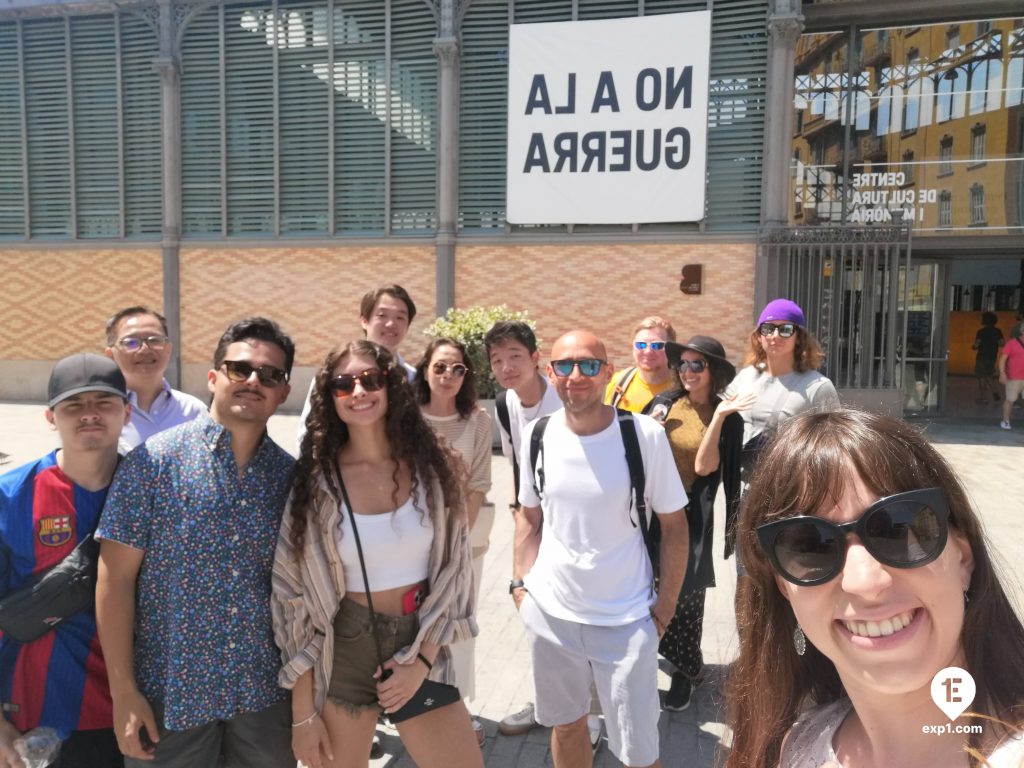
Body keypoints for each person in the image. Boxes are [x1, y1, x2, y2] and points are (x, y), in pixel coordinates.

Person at [726, 409, 1024, 768]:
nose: (865, 582)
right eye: (810, 546)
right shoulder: (791, 750)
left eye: (898, 529)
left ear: (963, 557)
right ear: (785, 588)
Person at [95, 317, 296, 767]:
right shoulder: (153, 463)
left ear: (284, 391)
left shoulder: (292, 480)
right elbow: (116, 580)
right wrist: (123, 692)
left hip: (263, 701)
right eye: (239, 369)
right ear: (213, 377)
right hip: (170, 700)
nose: (252, 381)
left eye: (270, 375)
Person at [271, 340, 482, 768]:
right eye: (343, 385)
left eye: (370, 380)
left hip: (419, 633)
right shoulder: (316, 483)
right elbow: (291, 599)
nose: (359, 392)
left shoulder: (433, 466)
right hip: (342, 647)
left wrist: (421, 660)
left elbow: (457, 569)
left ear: (390, 386)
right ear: (329, 399)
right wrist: (302, 716)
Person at [513, 330, 688, 768]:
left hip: (626, 619)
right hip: (551, 615)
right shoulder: (536, 435)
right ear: (550, 373)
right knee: (567, 725)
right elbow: (529, 516)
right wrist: (520, 586)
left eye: (589, 365)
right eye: (565, 365)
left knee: (639, 751)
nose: (576, 375)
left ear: (608, 372)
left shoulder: (643, 436)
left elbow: (675, 527)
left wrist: (664, 606)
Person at [0, 354, 130, 768]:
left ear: (127, 412)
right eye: (74, 404)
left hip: (128, 715)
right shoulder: (10, 495)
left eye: (104, 402)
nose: (89, 414)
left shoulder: (152, 493)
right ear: (50, 416)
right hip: (33, 717)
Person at [642, 337, 751, 712]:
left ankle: (685, 670)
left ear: (713, 372)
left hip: (692, 515)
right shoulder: (664, 403)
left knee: (688, 593)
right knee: (649, 584)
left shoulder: (728, 416)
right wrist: (648, 428)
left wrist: (718, 418)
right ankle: (652, 655)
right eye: (683, 365)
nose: (687, 372)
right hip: (653, 513)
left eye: (696, 366)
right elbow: (638, 452)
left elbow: (706, 468)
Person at [484, 321, 577, 742]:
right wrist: (518, 514)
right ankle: (550, 705)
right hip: (535, 519)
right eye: (497, 360)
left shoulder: (565, 398)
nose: (506, 367)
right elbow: (516, 462)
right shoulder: (505, 403)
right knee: (539, 616)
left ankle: (586, 719)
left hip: (577, 523)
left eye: (515, 357)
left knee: (577, 615)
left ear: (536, 357)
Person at [414, 338, 492, 745]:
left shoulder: (478, 420)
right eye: (440, 367)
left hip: (459, 543)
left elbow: (479, 484)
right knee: (411, 628)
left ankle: (460, 709)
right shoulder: (406, 418)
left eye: (457, 369)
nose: (448, 376)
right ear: (425, 370)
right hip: (408, 543)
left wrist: (455, 543)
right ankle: (413, 705)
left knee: (457, 626)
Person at [727, 298, 839, 487]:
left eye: (785, 329)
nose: (775, 336)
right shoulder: (745, 378)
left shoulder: (817, 386)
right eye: (768, 328)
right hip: (741, 492)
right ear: (759, 335)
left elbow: (833, 447)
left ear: (799, 338)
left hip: (789, 493)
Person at [296, 284, 418, 451]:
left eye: (400, 317)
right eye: (382, 315)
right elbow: (308, 434)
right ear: (364, 320)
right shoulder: (335, 375)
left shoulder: (415, 380)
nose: (391, 323)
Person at [103, 306, 206, 453]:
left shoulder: (194, 411)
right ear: (110, 354)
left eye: (155, 340)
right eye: (131, 342)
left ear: (168, 349)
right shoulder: (101, 413)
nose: (145, 349)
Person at [604, 316, 678, 413]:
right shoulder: (617, 383)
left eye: (656, 345)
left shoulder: (684, 387)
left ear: (671, 349)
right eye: (641, 345)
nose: (647, 351)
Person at [971, 312, 1003, 406]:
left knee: (981, 376)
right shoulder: (998, 331)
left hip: (981, 356)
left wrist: (973, 347)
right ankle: (995, 391)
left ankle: (983, 398)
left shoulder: (981, 332)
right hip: (992, 356)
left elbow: (976, 345)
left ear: (984, 321)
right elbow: (1002, 343)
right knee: (989, 375)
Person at [997, 322, 1024, 430]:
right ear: (1022, 331)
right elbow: (1003, 359)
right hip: (1014, 376)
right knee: (1010, 399)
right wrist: (1002, 372)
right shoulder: (1012, 343)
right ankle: (1005, 421)